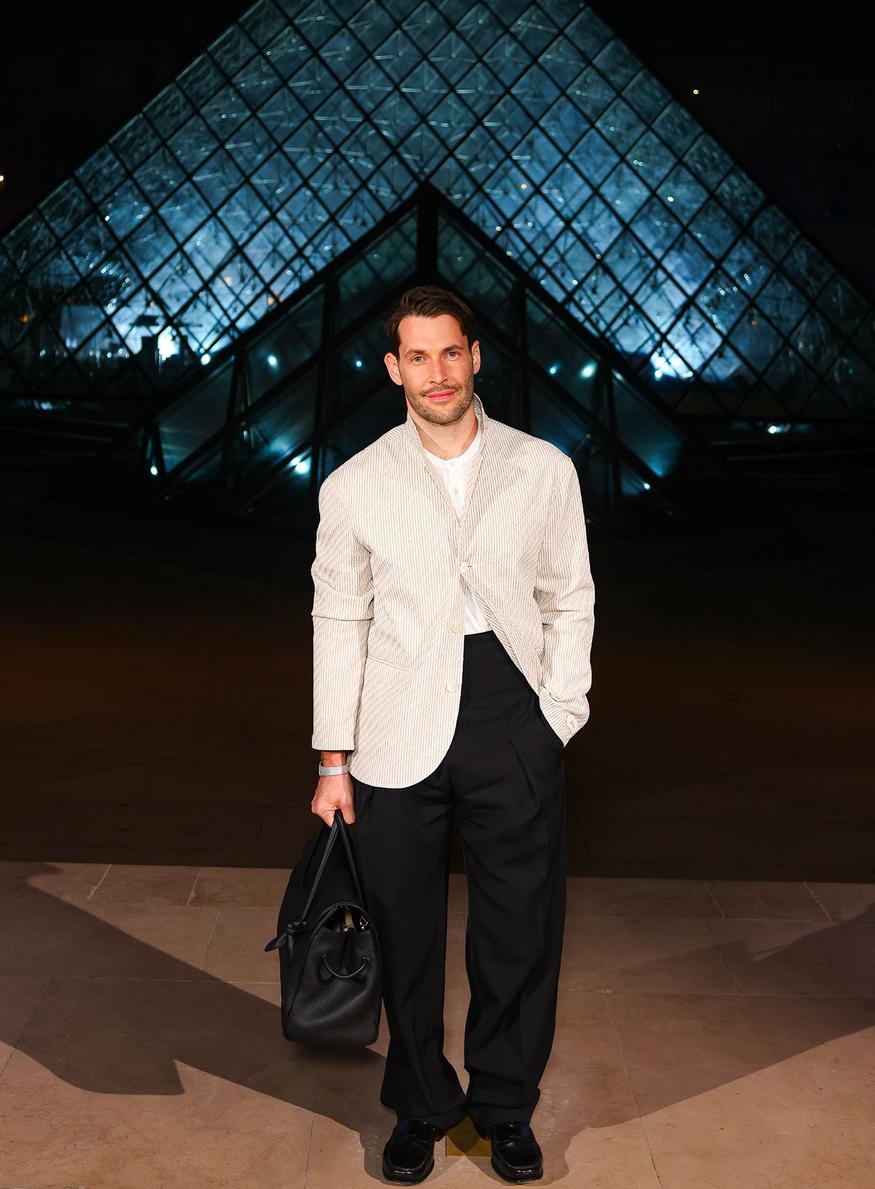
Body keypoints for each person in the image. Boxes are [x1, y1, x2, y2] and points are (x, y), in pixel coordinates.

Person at [309, 284, 595, 1183]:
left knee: (519, 927)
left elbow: (569, 594)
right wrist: (332, 756)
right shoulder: (353, 484)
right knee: (403, 932)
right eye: (416, 356)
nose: (437, 372)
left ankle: (504, 1104)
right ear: (394, 369)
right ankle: (420, 1103)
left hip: (511, 711)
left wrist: (559, 713)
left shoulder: (543, 467)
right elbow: (336, 618)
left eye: (451, 352)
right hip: (395, 718)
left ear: (475, 357)